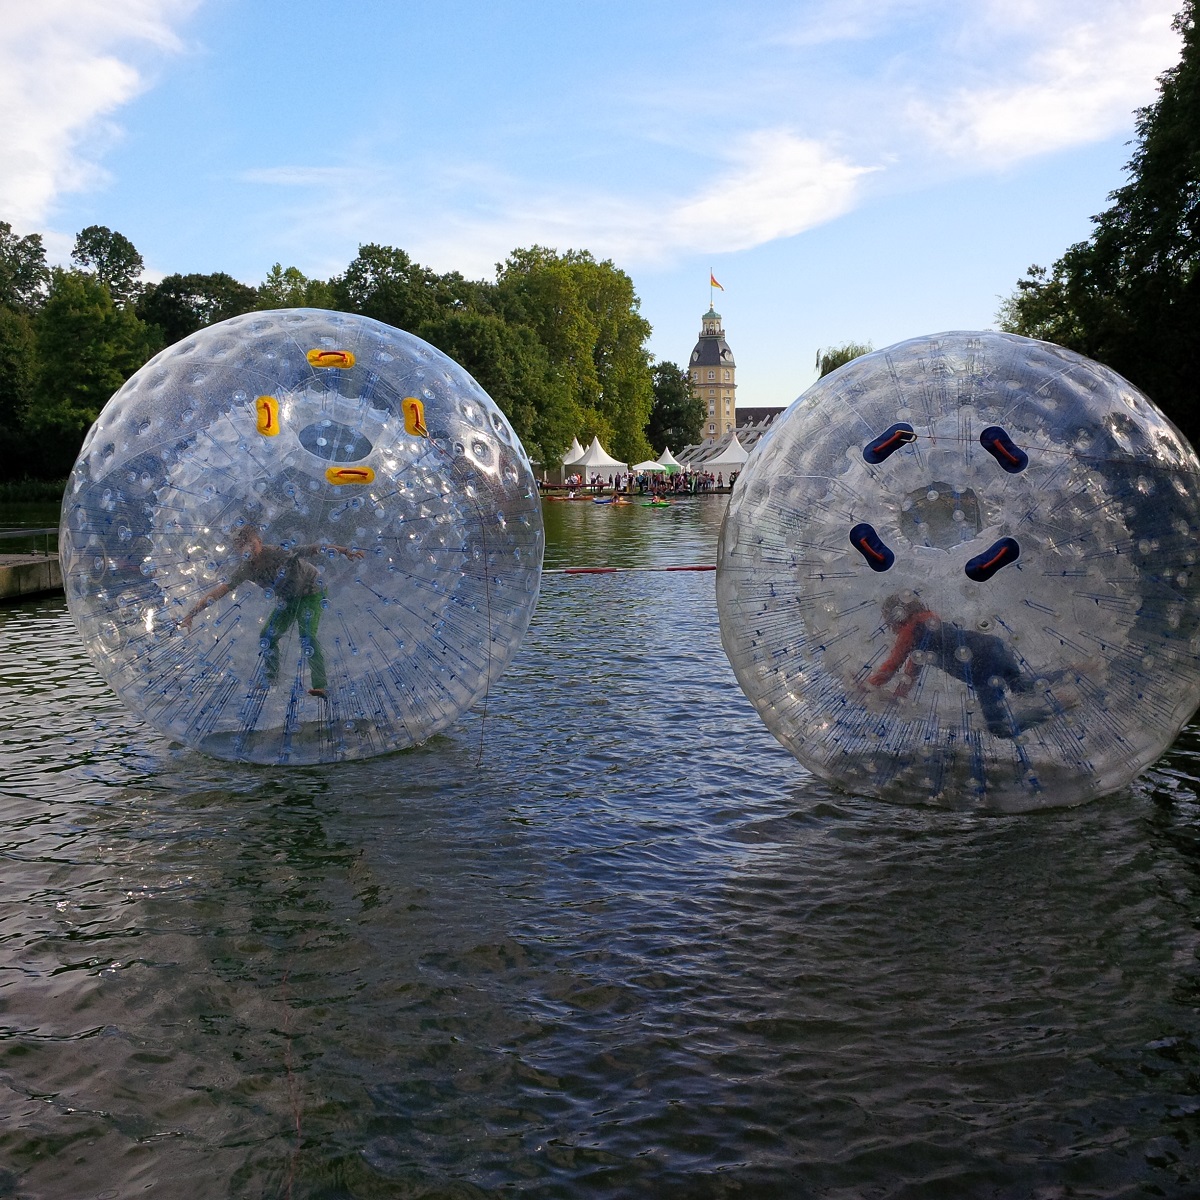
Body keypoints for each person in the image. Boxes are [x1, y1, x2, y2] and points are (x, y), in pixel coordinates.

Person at [180, 524, 364, 698]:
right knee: (267, 636)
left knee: (307, 635)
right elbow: (221, 591)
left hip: (312, 591)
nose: (249, 550)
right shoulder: (245, 569)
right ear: (238, 549)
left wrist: (344, 551)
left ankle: (320, 685)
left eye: (252, 544)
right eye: (243, 547)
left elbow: (312, 549)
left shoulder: (277, 553)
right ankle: (272, 679)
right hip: (289, 599)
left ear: (259, 541)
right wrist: (191, 614)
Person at [867, 594, 1082, 738]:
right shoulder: (929, 622)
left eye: (887, 619)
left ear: (897, 615)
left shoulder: (910, 631)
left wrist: (864, 687)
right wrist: (896, 698)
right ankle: (1077, 669)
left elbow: (890, 668)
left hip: (982, 665)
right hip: (996, 646)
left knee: (1001, 728)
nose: (887, 625)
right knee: (1023, 686)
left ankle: (1059, 703)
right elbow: (910, 675)